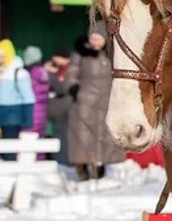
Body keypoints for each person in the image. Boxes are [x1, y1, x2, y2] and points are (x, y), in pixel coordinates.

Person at [66, 23, 125, 180]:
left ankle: (100, 168)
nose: (95, 41)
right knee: (82, 135)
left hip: (106, 100)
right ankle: (82, 167)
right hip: (84, 101)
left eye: (98, 38)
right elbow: (71, 72)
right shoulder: (81, 53)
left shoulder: (111, 54)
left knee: (103, 135)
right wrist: (73, 88)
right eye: (92, 38)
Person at [45, 48, 72, 165]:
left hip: (66, 110)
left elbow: (61, 89)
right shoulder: (61, 70)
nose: (54, 60)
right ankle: (62, 160)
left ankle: (63, 162)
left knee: (63, 137)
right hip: (61, 110)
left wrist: (50, 74)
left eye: (56, 57)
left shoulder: (69, 70)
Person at [21, 45, 51, 140]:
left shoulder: (29, 74)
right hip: (42, 113)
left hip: (31, 113)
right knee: (39, 143)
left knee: (28, 143)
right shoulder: (44, 72)